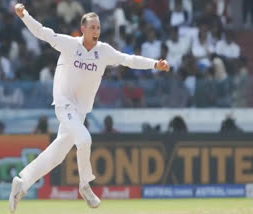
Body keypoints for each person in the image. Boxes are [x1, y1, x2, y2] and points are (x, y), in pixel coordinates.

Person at [9, 3, 170, 213]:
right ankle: (85, 186)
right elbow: (42, 32)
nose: (96, 31)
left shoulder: (103, 51)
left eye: (98, 28)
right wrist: (24, 15)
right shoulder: (70, 45)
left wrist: (154, 64)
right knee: (84, 139)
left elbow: (128, 60)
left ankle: (22, 182)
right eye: (92, 27)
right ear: (82, 29)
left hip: (80, 110)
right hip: (64, 104)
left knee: (57, 155)